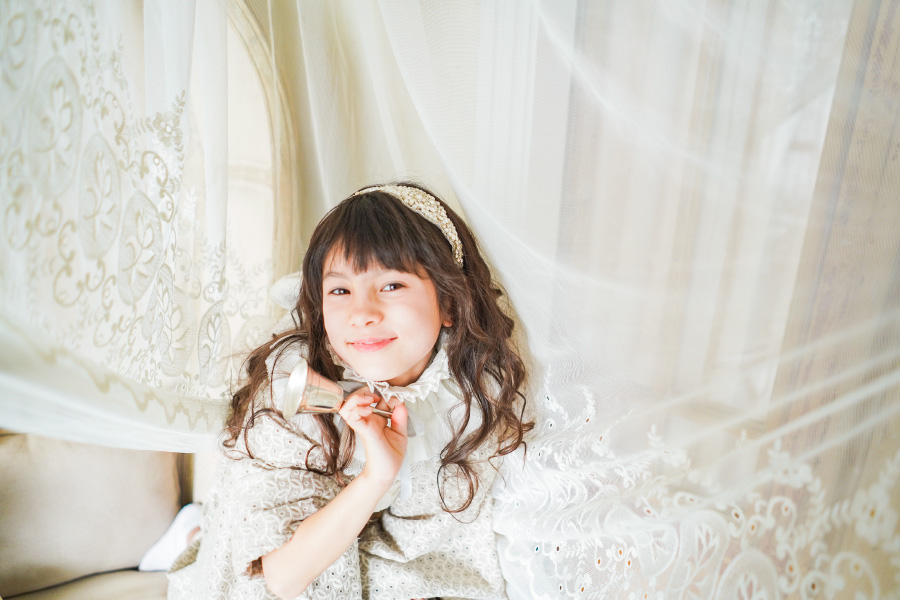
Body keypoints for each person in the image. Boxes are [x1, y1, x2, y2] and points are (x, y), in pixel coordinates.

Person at [166, 183, 532, 600]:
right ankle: (195, 530)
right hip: (279, 555)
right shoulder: (295, 388)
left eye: (391, 285)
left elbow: (430, 549)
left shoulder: (470, 390)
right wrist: (377, 476)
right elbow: (282, 579)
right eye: (340, 290)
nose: (362, 314)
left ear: (449, 302)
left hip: (361, 547)